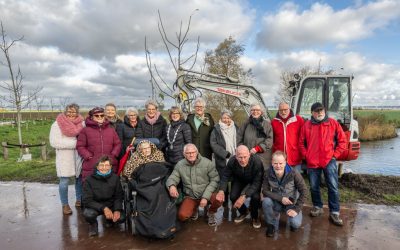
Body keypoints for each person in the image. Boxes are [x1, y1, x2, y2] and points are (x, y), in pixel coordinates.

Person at [299, 102, 347, 226]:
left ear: (324, 111)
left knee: (333, 187)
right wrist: (306, 155)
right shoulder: (307, 125)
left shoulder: (332, 123)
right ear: (312, 113)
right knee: (314, 186)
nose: (319, 112)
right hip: (313, 162)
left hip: (329, 161)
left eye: (321, 110)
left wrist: (335, 155)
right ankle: (317, 207)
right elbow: (301, 143)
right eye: (316, 111)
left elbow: (342, 141)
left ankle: (335, 212)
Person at [166, 143, 222, 226]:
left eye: (193, 152)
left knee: (219, 199)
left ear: (197, 152)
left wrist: (205, 197)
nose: (191, 154)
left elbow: (215, 179)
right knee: (182, 216)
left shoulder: (207, 163)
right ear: (184, 154)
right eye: (188, 153)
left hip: (207, 193)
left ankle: (211, 212)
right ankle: (194, 208)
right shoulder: (180, 164)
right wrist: (172, 186)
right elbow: (173, 177)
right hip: (191, 196)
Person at [216, 145, 264, 228]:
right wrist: (221, 190)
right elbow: (225, 176)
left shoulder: (257, 161)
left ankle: (255, 217)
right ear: (236, 155)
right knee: (233, 196)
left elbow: (258, 181)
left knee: (255, 197)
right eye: (240, 157)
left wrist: (244, 196)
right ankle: (244, 211)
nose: (243, 160)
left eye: (245, 157)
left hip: (253, 182)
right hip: (240, 179)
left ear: (249, 154)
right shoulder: (232, 161)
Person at [261, 151, 307, 237]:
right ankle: (271, 225)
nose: (278, 166)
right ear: (272, 162)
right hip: (277, 201)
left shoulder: (294, 173)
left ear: (285, 162)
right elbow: (265, 191)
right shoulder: (267, 173)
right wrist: (280, 198)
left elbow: (304, 191)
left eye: (280, 163)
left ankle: (295, 217)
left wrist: (296, 209)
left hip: (291, 204)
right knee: (266, 201)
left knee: (295, 224)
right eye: (275, 163)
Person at [49, 103, 84, 215]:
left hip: (79, 155)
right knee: (64, 181)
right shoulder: (57, 124)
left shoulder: (82, 124)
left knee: (79, 179)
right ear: (65, 111)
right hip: (64, 157)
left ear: (77, 113)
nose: (71, 114)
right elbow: (55, 142)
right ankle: (65, 204)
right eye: (69, 111)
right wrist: (76, 143)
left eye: (74, 112)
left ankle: (79, 199)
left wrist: (81, 145)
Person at [82, 156, 125, 237]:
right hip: (95, 205)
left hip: (110, 204)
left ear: (111, 167)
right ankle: (93, 224)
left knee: (121, 218)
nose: (104, 168)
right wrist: (104, 208)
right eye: (101, 165)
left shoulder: (115, 178)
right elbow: (87, 200)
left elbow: (118, 196)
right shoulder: (89, 180)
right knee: (88, 214)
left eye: (107, 165)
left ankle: (109, 220)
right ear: (97, 167)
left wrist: (117, 209)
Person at [76, 107, 121, 181]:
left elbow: (118, 144)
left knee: (109, 186)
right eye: (97, 115)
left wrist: (113, 155)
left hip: (108, 163)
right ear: (92, 117)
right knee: (92, 188)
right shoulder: (85, 130)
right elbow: (80, 146)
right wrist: (88, 156)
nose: (99, 117)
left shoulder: (111, 130)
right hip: (92, 164)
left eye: (102, 115)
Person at [237, 103, 273, 170]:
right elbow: (239, 138)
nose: (255, 112)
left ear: (261, 112)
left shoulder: (267, 125)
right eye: (253, 110)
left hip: (263, 158)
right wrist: (243, 150)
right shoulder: (245, 123)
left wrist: (258, 148)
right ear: (250, 111)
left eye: (257, 110)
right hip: (247, 157)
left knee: (261, 177)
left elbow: (270, 140)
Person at [271, 102, 304, 172]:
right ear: (278, 111)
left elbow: (303, 137)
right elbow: (272, 140)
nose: (283, 112)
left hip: (295, 156)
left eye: (285, 109)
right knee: (282, 180)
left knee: (296, 179)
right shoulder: (274, 122)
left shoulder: (298, 120)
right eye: (281, 110)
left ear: (289, 109)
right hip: (280, 159)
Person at [210, 109, 238, 178]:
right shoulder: (216, 129)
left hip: (236, 156)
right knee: (224, 179)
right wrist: (225, 154)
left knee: (235, 178)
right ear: (221, 118)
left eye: (228, 118)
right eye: (224, 118)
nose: (226, 120)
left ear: (230, 118)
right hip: (223, 159)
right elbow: (213, 144)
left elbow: (240, 140)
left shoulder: (236, 127)